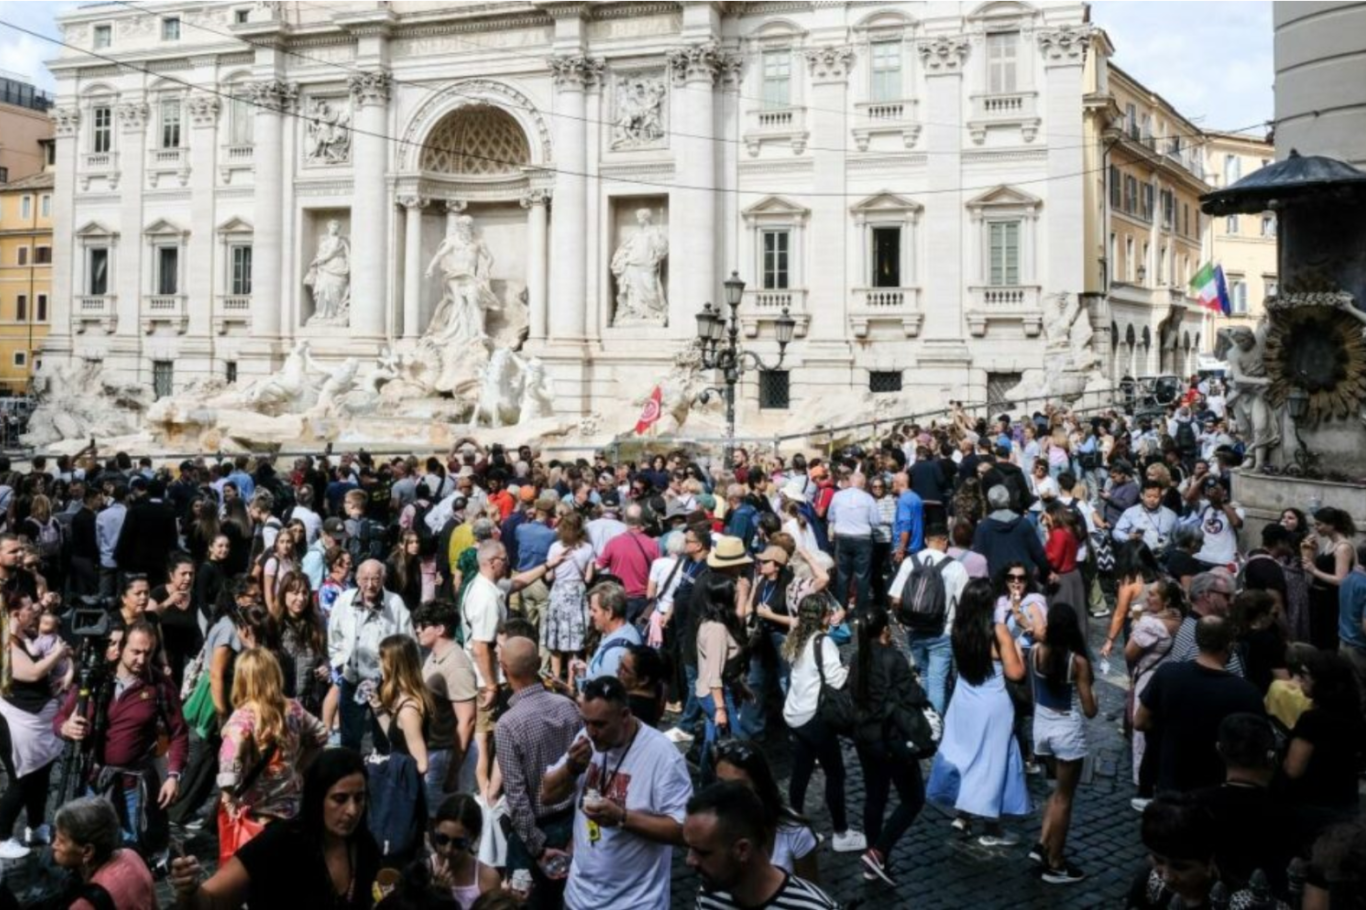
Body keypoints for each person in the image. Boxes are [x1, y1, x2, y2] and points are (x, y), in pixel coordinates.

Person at [540, 676, 693, 910]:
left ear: (625, 715)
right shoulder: (585, 738)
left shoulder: (663, 756)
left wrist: (622, 817)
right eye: (586, 722)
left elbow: (684, 831)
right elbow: (547, 795)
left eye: (600, 725)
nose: (591, 732)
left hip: (635, 903)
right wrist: (570, 768)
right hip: (577, 898)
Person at [170, 747, 381, 910]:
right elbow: (211, 901)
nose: (352, 810)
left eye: (359, 798)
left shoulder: (365, 846)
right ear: (317, 799)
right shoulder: (279, 843)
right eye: (340, 799)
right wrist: (190, 891)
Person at [54, 618, 190, 860]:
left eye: (148, 653)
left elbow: (179, 733)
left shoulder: (159, 685)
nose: (141, 659)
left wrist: (173, 776)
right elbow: (59, 718)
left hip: (133, 786)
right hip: (93, 781)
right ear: (121, 647)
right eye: (135, 652)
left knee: (131, 849)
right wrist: (66, 727)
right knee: (90, 848)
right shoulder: (95, 679)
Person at [926, 578, 1029, 845]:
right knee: (992, 762)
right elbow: (1016, 673)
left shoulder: (958, 630)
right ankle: (992, 827)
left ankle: (963, 815)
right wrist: (1018, 650)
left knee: (966, 756)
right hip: (993, 704)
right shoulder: (998, 632)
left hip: (963, 701)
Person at [495, 636, 581, 909]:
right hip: (571, 824)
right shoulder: (568, 707)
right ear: (539, 663)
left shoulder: (507, 724)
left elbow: (516, 796)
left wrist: (538, 848)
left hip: (533, 833)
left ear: (504, 669)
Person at [1135, 616, 1264, 794]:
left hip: (1171, 783)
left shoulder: (1168, 674)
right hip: (1215, 787)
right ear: (1229, 645)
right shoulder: (1247, 692)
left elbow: (1140, 722)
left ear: (1197, 640)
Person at [850, 608, 930, 886]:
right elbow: (915, 696)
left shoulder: (857, 658)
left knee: (875, 798)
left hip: (865, 737)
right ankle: (878, 852)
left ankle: (874, 860)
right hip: (892, 739)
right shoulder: (893, 658)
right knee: (913, 799)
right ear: (885, 630)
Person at [218, 648, 329, 848]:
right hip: (292, 809)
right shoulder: (293, 708)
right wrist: (300, 767)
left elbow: (230, 763)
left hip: (256, 814)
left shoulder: (242, 718)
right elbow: (321, 734)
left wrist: (227, 797)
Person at [781, 593, 865, 854]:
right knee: (835, 773)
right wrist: (850, 669)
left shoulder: (795, 637)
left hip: (794, 713)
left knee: (801, 770)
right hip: (813, 717)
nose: (832, 616)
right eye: (829, 613)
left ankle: (794, 827)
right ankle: (841, 832)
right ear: (822, 617)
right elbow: (837, 680)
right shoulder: (823, 642)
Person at [685, 781, 839, 910]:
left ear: (742, 850)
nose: (690, 860)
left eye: (702, 853)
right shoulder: (711, 894)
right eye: (689, 848)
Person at [1028, 604, 1098, 884]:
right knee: (1065, 798)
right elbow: (1090, 710)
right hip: (1066, 730)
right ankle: (1056, 862)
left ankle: (1042, 842)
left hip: (1041, 727)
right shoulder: (1076, 662)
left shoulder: (1035, 651)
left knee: (1055, 792)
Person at [0, 590, 68, 859]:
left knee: (41, 775)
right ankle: (2, 836)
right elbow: (32, 673)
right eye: (30, 608)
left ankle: (36, 826)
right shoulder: (7, 643)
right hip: (17, 721)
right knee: (22, 780)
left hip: (39, 720)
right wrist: (59, 653)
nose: (36, 610)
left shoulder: (27, 635)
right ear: (17, 614)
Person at [327, 559, 414, 752]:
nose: (370, 584)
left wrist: (398, 674)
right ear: (357, 579)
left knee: (384, 734)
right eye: (365, 579)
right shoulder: (345, 600)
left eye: (375, 579)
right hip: (352, 677)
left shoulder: (395, 603)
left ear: (383, 579)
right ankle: (351, 767)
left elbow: (408, 642)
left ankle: (383, 765)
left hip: (384, 680)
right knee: (349, 737)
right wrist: (340, 663)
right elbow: (334, 635)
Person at [712, 740, 820, 883]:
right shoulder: (712, 828)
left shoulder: (795, 833)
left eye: (739, 786)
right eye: (721, 783)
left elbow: (811, 890)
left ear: (759, 784)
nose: (727, 794)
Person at [889, 524, 969, 715]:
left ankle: (924, 720)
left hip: (914, 628)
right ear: (945, 541)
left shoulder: (910, 562)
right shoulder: (955, 566)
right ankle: (936, 724)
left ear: (926, 540)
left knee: (923, 676)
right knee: (937, 681)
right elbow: (965, 604)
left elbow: (896, 599)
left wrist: (902, 621)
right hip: (942, 631)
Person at [1125, 577, 1187, 806]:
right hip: (1165, 679)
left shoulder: (1151, 625)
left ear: (1166, 600)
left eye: (1152, 594)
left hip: (1147, 679)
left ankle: (1143, 783)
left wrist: (1137, 624)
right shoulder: (1177, 617)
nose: (1147, 597)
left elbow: (1129, 653)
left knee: (1142, 730)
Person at [1283, 649, 1366, 813]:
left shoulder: (1312, 720)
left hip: (1312, 804)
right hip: (1346, 800)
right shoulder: (1354, 715)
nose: (1300, 679)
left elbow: (1293, 769)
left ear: (1322, 681)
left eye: (1305, 674)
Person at [414, 601, 477, 814]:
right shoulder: (434, 656)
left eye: (423, 625)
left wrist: (453, 774)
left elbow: (467, 721)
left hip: (447, 756)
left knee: (444, 818)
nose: (418, 629)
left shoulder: (457, 665)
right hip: (436, 752)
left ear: (440, 629)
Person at [50, 796, 157, 910]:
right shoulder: (131, 855)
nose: (54, 845)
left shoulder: (85, 904)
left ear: (87, 851)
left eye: (61, 841)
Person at [694, 574, 745, 781]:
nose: (737, 595)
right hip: (717, 695)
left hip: (709, 691)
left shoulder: (710, 622)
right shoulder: (717, 629)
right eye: (735, 593)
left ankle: (706, 783)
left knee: (711, 742)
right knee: (736, 744)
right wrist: (721, 709)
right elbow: (715, 674)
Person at [544, 510, 595, 684]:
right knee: (575, 643)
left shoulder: (555, 547)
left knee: (555, 642)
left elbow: (548, 577)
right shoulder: (588, 549)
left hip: (558, 592)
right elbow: (588, 578)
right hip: (577, 593)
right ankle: (572, 684)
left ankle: (556, 680)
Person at [428, 794, 501, 910]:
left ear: (473, 839)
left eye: (459, 843)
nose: (448, 849)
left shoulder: (487, 878)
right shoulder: (422, 871)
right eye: (442, 839)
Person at [1304, 506, 1357, 651]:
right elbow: (1322, 568)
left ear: (1332, 525)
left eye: (1319, 524)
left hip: (1330, 600)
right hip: (1319, 597)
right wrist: (1312, 551)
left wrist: (1314, 570)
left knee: (1326, 639)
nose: (1316, 528)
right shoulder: (1329, 543)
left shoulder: (1343, 547)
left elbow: (1341, 579)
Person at [972, 485, 1048, 581]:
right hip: (1022, 578)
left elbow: (978, 557)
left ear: (990, 502)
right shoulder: (1023, 523)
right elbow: (1038, 554)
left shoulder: (983, 527)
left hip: (997, 579)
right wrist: (1046, 573)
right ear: (1008, 500)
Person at [277, 571, 328, 714]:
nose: (300, 598)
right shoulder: (273, 625)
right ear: (284, 594)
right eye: (295, 593)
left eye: (304, 593)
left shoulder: (318, 623)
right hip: (281, 705)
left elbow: (326, 655)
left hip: (310, 705)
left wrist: (326, 666)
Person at [582, 580, 643, 682]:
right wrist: (588, 671)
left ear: (609, 612)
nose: (590, 614)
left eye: (594, 610)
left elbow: (609, 691)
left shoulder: (616, 653)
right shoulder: (622, 632)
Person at [618, 643, 666, 728]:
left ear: (643, 680)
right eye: (620, 665)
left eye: (625, 670)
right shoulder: (657, 692)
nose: (618, 671)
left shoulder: (628, 708)